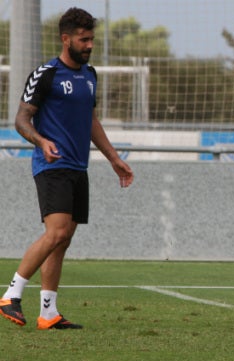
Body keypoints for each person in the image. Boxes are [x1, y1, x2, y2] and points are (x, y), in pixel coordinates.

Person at [0, 7, 134, 330]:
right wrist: (41, 141)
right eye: (83, 39)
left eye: (91, 39)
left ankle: (48, 312)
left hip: (78, 167)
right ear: (66, 39)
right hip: (52, 165)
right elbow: (20, 119)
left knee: (64, 239)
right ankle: (10, 295)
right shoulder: (46, 73)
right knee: (56, 232)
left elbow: (90, 121)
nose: (89, 45)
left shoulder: (90, 76)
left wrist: (114, 158)